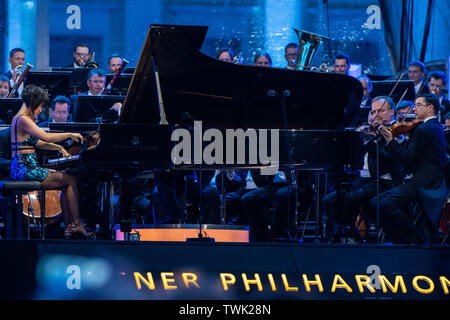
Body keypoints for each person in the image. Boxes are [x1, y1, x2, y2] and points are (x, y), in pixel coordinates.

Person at [9, 84, 93, 239]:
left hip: (25, 167)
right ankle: (75, 224)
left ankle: (70, 227)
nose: (41, 110)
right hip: (26, 169)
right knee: (71, 179)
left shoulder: (20, 119)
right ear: (33, 103)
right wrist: (69, 134)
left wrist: (58, 148)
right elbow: (45, 137)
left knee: (66, 180)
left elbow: (38, 143)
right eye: (40, 106)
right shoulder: (23, 120)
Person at [322, 96, 405, 243]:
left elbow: (386, 162)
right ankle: (346, 234)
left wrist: (369, 142)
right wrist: (357, 140)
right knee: (330, 200)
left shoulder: (397, 132)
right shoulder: (373, 132)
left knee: (352, 197)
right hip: (364, 179)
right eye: (373, 112)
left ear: (392, 112)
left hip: (385, 180)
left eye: (381, 111)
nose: (376, 115)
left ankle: (351, 235)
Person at [375, 94, 447, 244]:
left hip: (423, 184)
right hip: (431, 182)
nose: (414, 108)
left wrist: (391, 141)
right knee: (378, 201)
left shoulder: (424, 129)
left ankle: (410, 239)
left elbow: (408, 158)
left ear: (430, 108)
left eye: (418, 105)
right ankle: (407, 239)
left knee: (380, 203)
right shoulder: (436, 126)